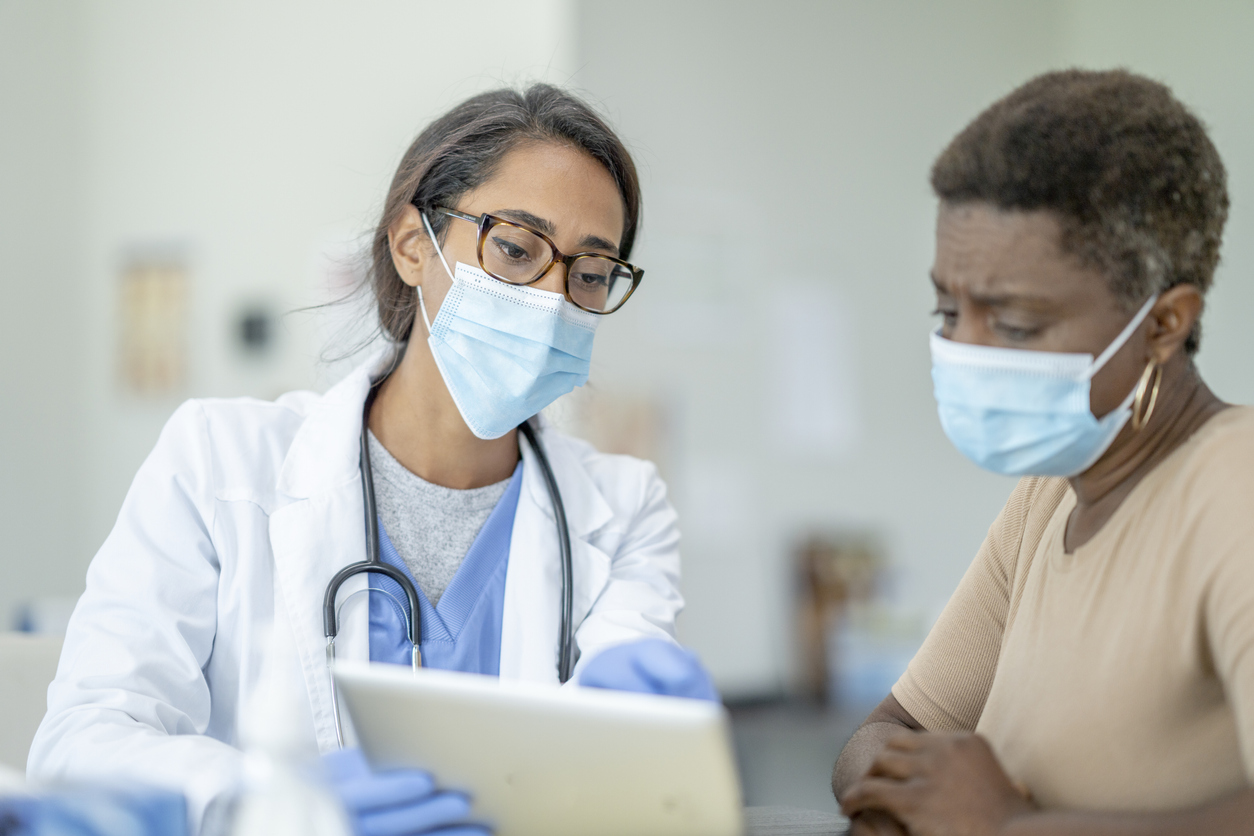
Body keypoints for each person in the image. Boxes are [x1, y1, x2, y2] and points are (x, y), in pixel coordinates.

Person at [28, 84, 715, 836]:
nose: (553, 298)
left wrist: (639, 743)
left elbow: (617, 775)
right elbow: (81, 743)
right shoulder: (218, 462)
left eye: (588, 273)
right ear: (413, 244)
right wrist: (267, 802)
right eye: (517, 249)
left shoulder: (624, 509)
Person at [833, 69, 1254, 835]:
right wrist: (901, 800)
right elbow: (886, 732)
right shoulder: (1050, 492)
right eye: (948, 309)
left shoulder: (1235, 488)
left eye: (1018, 325)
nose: (965, 349)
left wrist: (1009, 828)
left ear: (1164, 325)